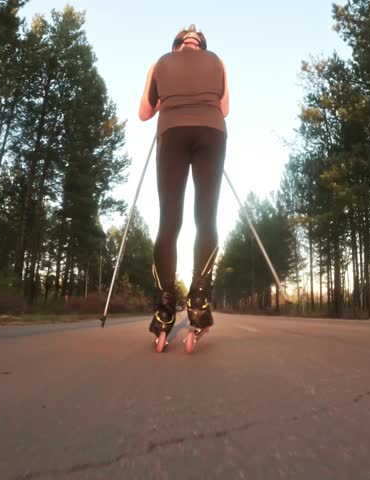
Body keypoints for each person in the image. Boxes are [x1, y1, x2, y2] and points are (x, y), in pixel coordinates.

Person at [138, 24, 229, 350]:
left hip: (173, 132)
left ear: (176, 46)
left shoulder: (159, 62)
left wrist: (167, 98)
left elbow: (144, 113)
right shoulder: (217, 61)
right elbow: (224, 108)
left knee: (170, 220)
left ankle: (164, 309)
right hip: (211, 132)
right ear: (200, 47)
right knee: (206, 217)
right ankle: (199, 298)